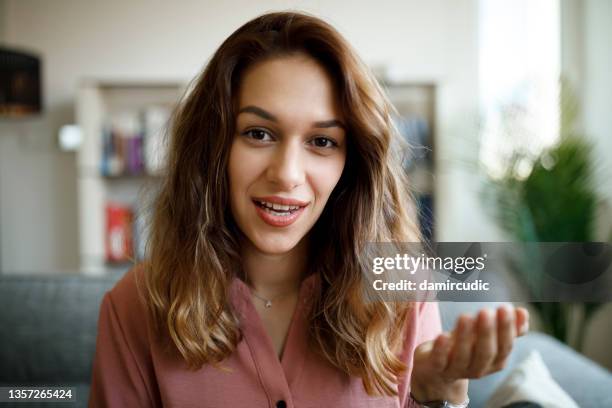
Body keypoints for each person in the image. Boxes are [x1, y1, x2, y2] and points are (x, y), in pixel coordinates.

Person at [89, 11, 529, 408]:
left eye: (322, 142)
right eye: (259, 133)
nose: (287, 174)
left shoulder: (402, 290)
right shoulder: (136, 305)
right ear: (214, 146)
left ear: (351, 162)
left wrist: (439, 396)